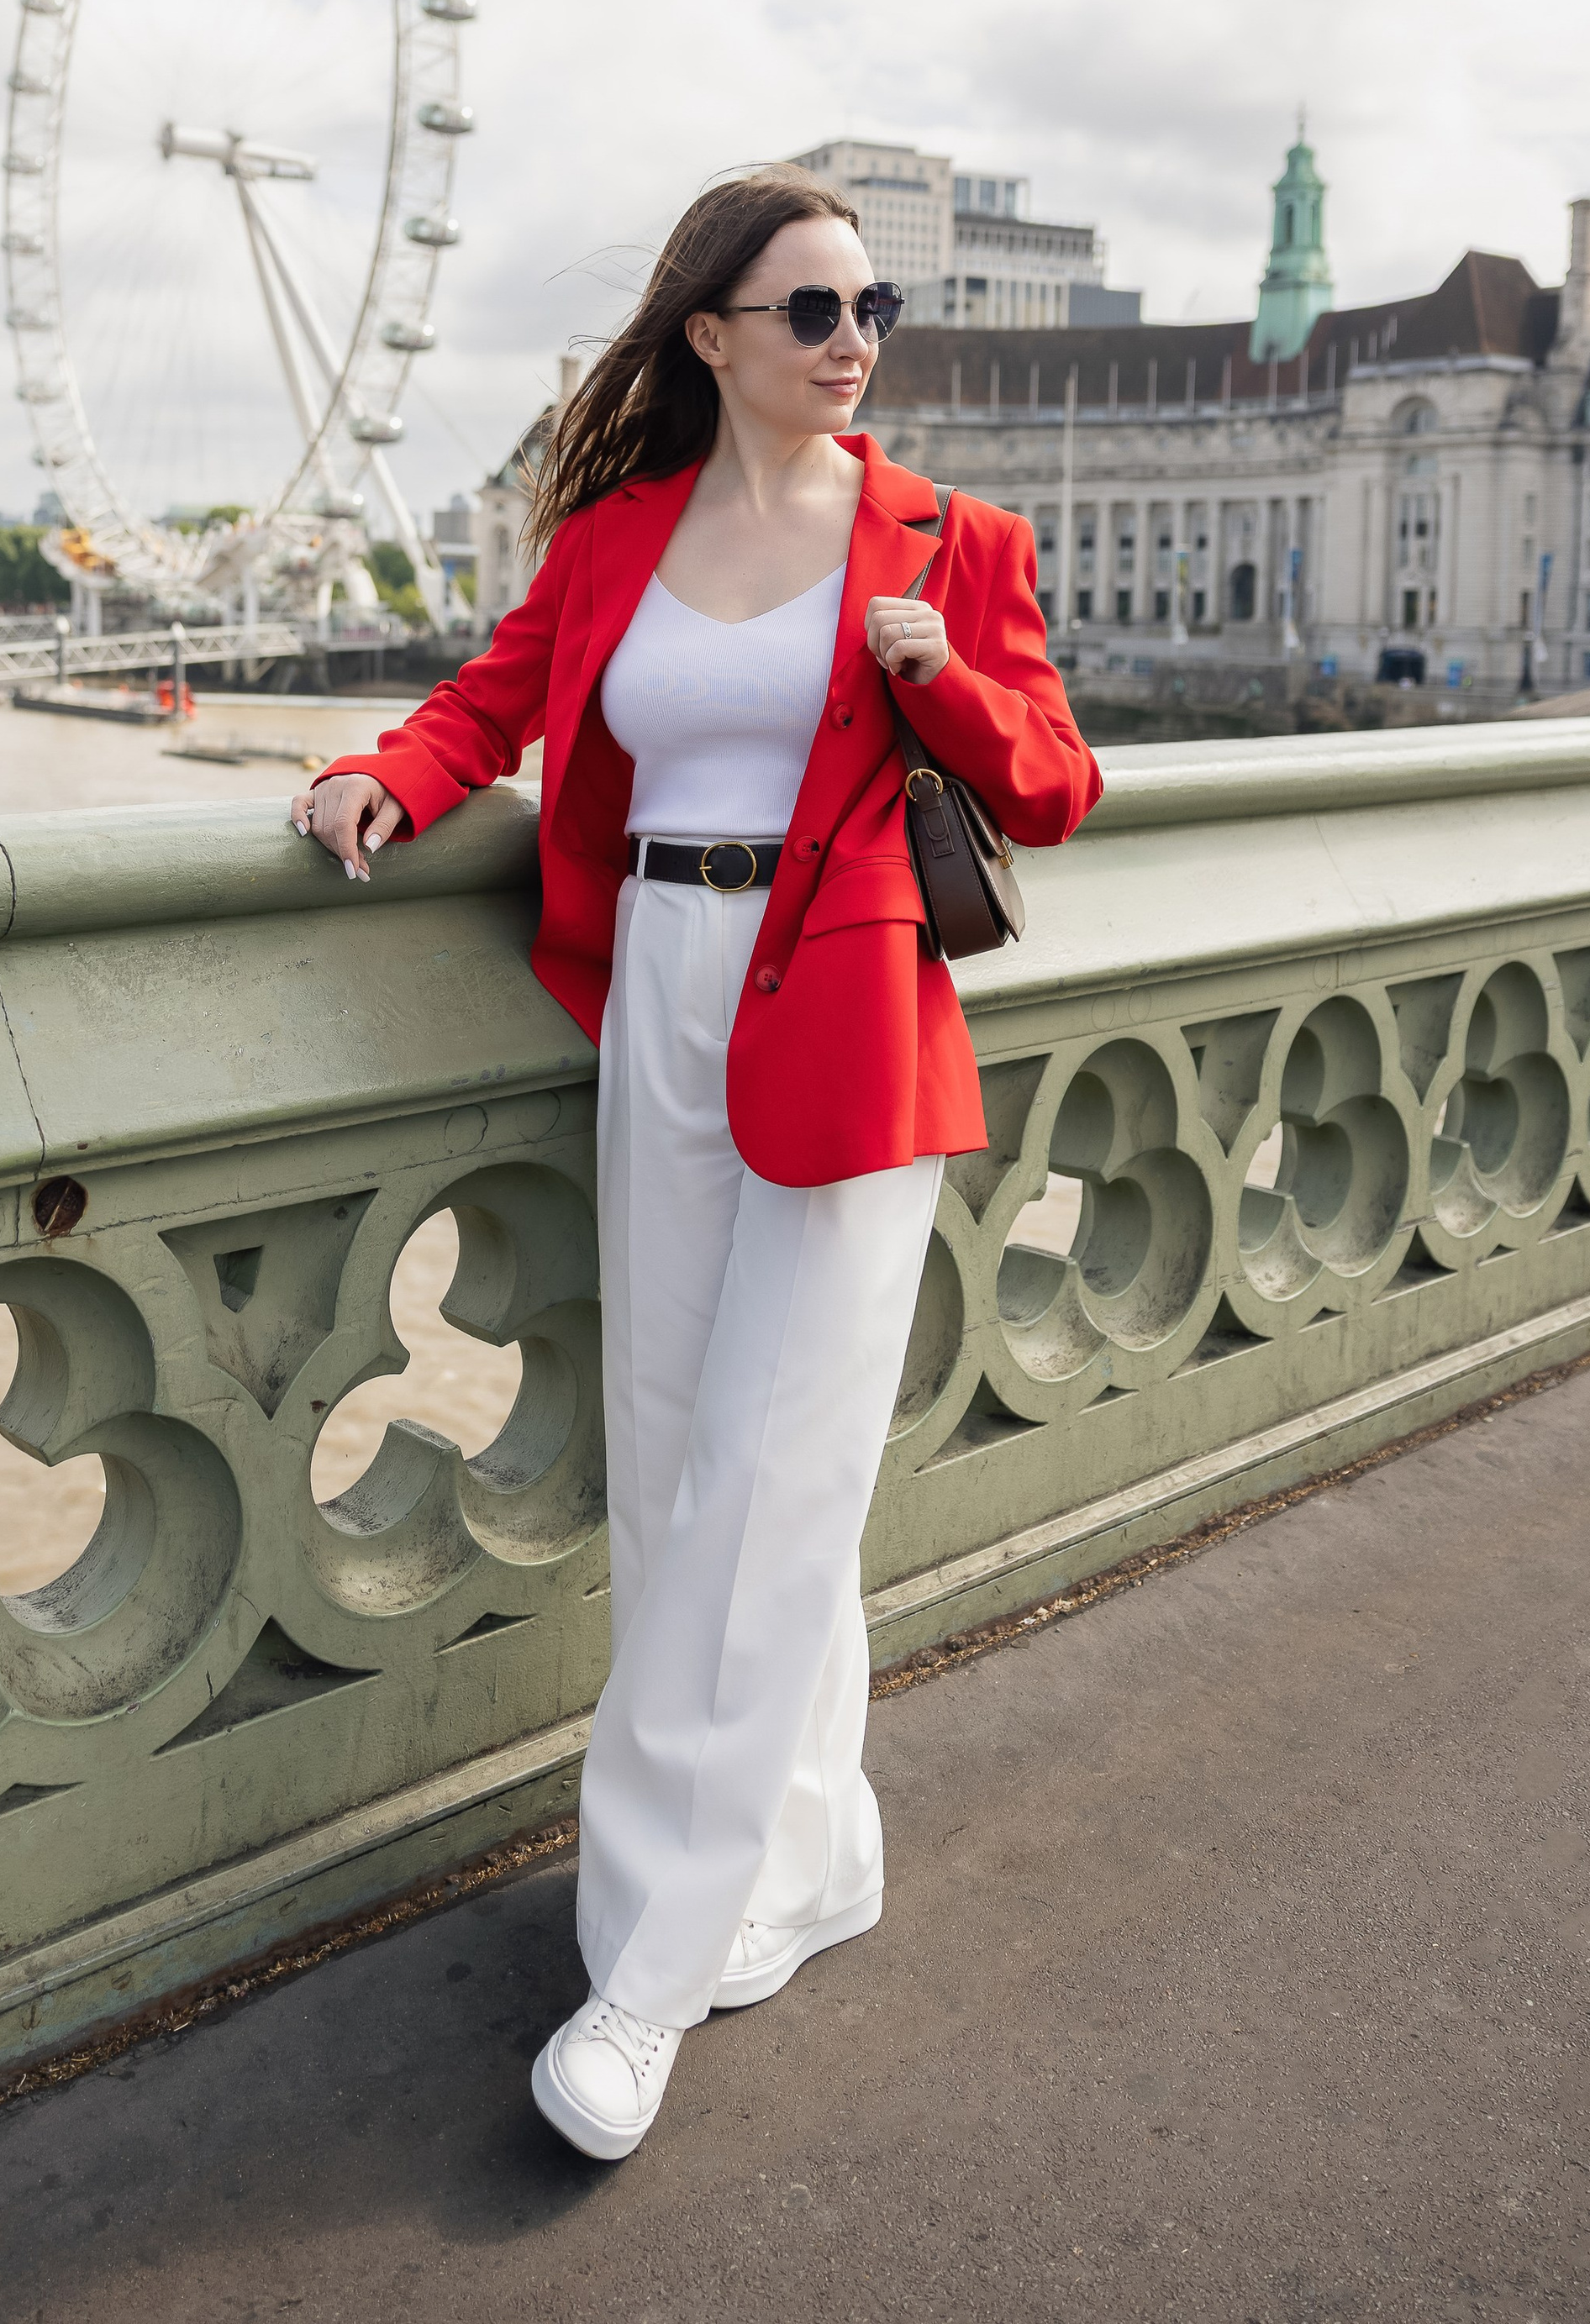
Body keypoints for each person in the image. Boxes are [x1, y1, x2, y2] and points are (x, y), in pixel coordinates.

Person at [292, 166, 1099, 2158]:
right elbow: (505, 699)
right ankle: (808, 1861)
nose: (852, 343)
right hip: (653, 977)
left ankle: (641, 1970)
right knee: (676, 1465)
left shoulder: (944, 540)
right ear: (709, 336)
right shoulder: (620, 534)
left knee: (770, 1470)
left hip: (843, 998)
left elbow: (1056, 786)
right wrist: (385, 772)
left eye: (868, 306)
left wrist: (937, 671)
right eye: (809, 309)